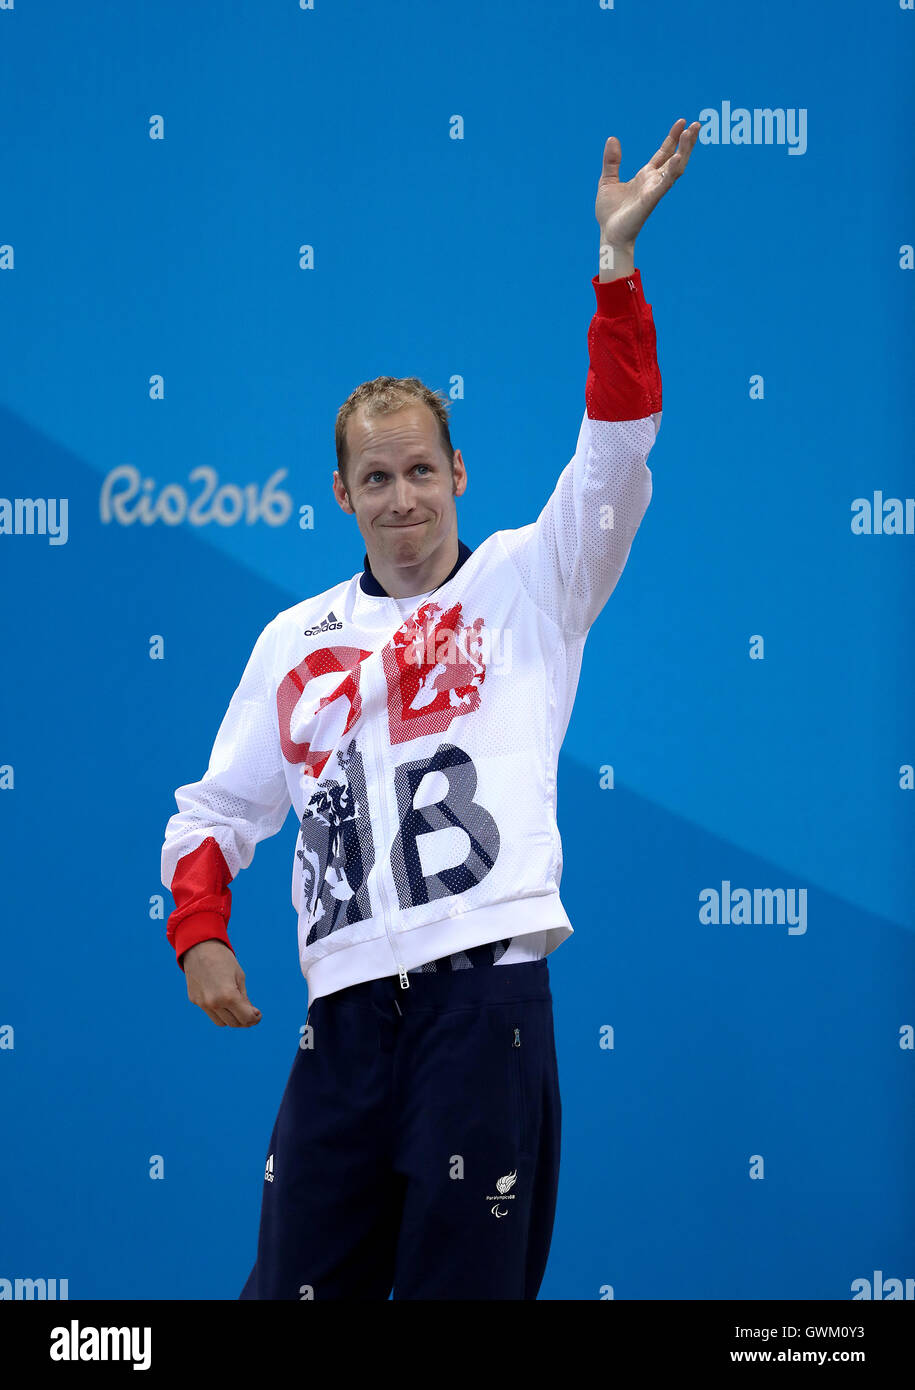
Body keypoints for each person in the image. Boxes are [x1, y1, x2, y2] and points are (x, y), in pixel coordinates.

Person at [160, 119, 699, 1300]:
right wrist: (199, 933)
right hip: (343, 1017)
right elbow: (212, 812)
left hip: (484, 1010)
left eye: (421, 470)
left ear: (458, 473)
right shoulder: (291, 642)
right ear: (341, 493)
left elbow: (617, 451)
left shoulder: (533, 579)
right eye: (375, 478)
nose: (402, 498)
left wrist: (616, 272)